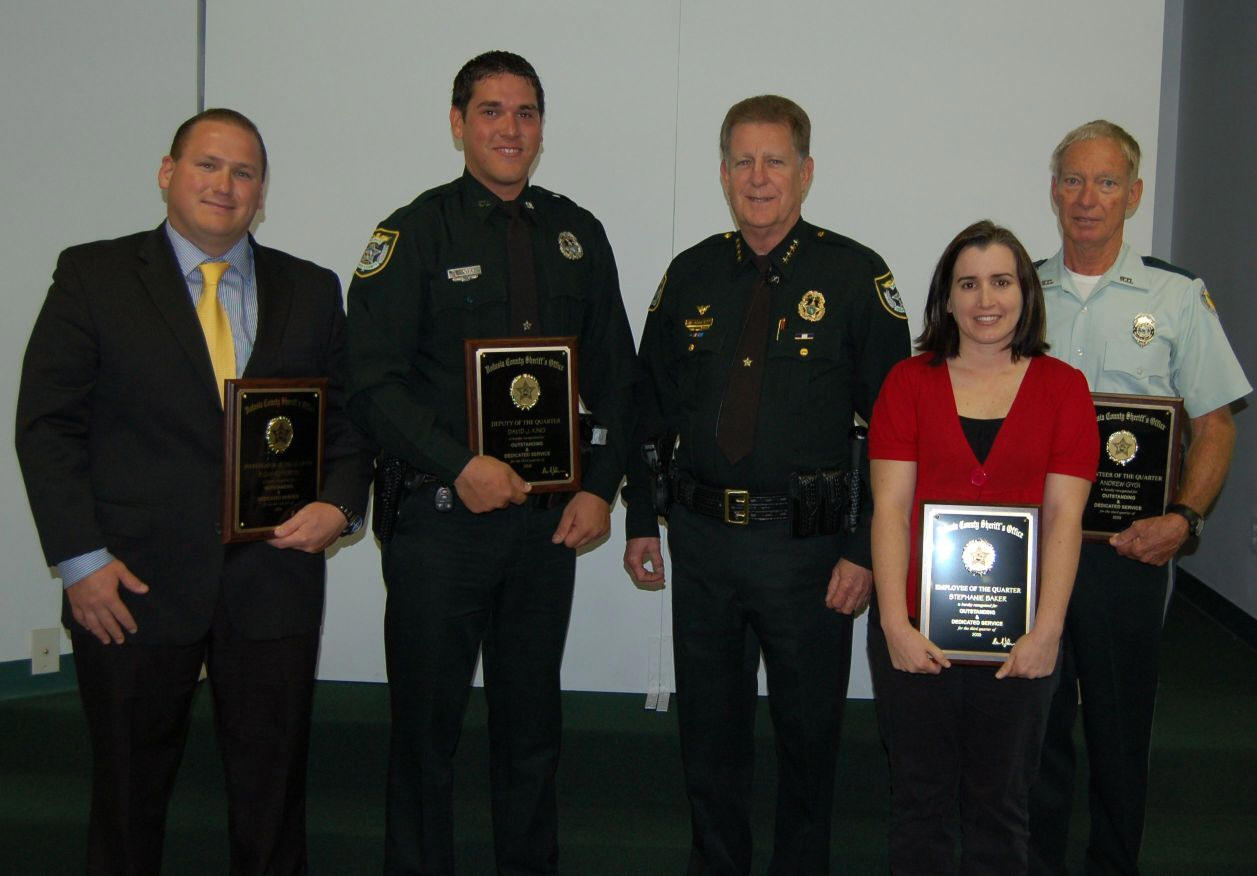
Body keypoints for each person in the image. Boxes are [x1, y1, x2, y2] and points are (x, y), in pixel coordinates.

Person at [14, 108, 374, 873]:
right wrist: (80, 563)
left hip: (273, 578)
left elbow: (345, 423)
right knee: (127, 802)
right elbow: (47, 426)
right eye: (208, 164)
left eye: (245, 172)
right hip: (128, 586)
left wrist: (338, 507)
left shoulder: (310, 290)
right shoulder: (93, 275)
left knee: (272, 805)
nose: (225, 184)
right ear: (167, 172)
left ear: (262, 192)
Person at [345, 51, 637, 874]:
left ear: (542, 127)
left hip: (545, 532)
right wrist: (456, 464)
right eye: (490, 111)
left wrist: (600, 488)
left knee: (531, 735)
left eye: (526, 112)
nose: (510, 129)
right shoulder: (412, 233)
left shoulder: (577, 234)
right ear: (456, 123)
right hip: (441, 528)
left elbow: (618, 379)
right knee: (425, 738)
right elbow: (371, 385)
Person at [623, 94, 911, 874]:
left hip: (811, 552)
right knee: (707, 740)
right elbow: (647, 408)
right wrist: (643, 522)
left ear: (805, 172)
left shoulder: (855, 276)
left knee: (806, 741)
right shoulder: (689, 275)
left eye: (774, 161)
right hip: (705, 544)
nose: (757, 178)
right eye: (742, 162)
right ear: (722, 174)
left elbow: (894, 432)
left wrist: (863, 550)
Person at [1027, 120, 1251, 874]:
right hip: (1035, 549)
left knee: (1120, 730)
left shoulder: (1177, 296)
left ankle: (1112, 863)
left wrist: (1183, 522)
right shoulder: (1016, 291)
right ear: (1053, 190)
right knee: (1036, 724)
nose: (1086, 199)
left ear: (1134, 193)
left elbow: (1215, 425)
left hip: (1128, 553)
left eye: (1106, 182)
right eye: (1071, 180)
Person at [867, 220, 1098, 873]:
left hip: (1021, 644)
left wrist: (1046, 632)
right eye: (966, 283)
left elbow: (1063, 518)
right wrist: (892, 624)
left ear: (1025, 292)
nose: (984, 299)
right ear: (945, 298)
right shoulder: (906, 384)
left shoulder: (1062, 389)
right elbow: (888, 507)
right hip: (915, 637)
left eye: (1000, 281)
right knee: (918, 806)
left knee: (1001, 810)